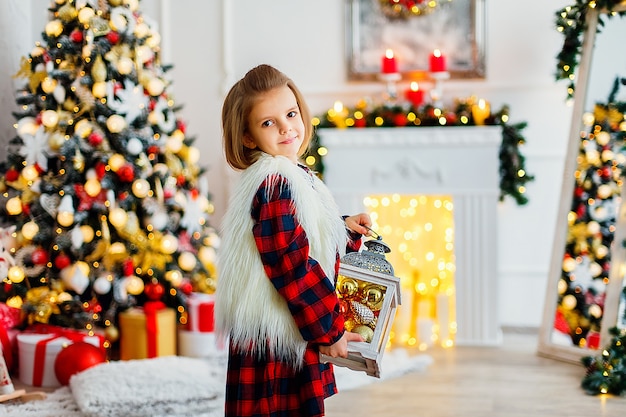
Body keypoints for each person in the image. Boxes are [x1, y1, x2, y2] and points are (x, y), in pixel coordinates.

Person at [215, 64, 372, 417]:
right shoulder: (276, 181)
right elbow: (291, 263)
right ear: (248, 137)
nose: (287, 127)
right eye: (268, 122)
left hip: (287, 327)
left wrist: (342, 228)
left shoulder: (292, 174)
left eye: (290, 113)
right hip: (278, 337)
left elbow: (302, 232)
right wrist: (329, 330)